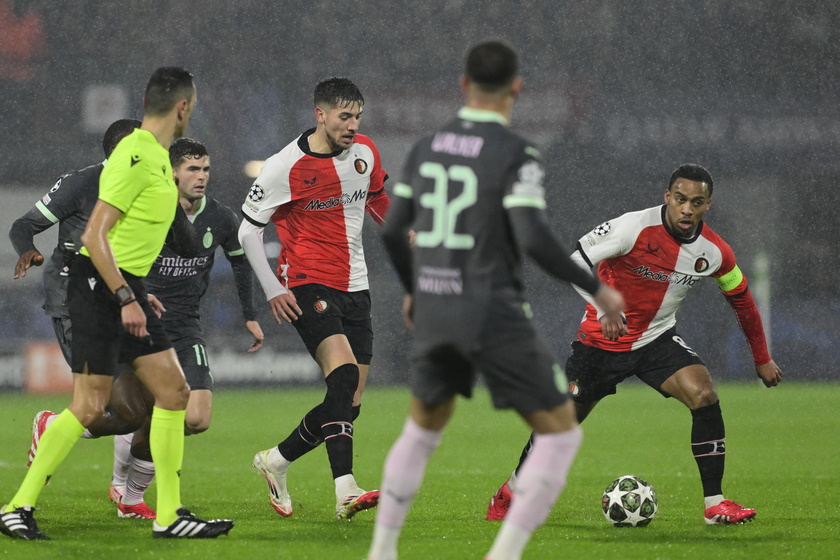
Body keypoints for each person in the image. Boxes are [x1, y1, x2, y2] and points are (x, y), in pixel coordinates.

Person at [366, 40, 624, 560]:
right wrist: (597, 287)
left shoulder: (426, 148)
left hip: (438, 307)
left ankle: (384, 550)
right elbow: (532, 236)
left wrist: (415, 289)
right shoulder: (515, 154)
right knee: (560, 434)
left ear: (463, 86)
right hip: (492, 309)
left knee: (422, 429)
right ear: (517, 89)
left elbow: (393, 231)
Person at [0, 66, 233, 540]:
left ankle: (169, 517)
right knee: (90, 407)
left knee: (172, 395)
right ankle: (16, 506)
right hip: (98, 291)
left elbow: (159, 238)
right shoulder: (135, 154)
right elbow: (94, 233)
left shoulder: (154, 157)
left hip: (122, 289)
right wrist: (127, 296)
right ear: (183, 107)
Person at [486, 163, 783, 526]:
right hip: (601, 342)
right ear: (667, 197)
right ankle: (510, 493)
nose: (687, 209)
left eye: (696, 202)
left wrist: (762, 358)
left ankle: (715, 504)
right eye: (680, 199)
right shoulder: (632, 227)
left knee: (704, 394)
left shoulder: (717, 252)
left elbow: (742, 300)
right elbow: (575, 262)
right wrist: (603, 304)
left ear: (708, 205)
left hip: (656, 339)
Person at [239, 76, 390, 520]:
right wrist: (273, 288)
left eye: (358, 116)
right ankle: (345, 490)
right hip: (306, 281)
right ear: (319, 115)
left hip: (355, 284)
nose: (353, 125)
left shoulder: (366, 152)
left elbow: (378, 199)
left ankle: (277, 461)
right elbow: (248, 229)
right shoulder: (284, 166)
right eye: (345, 117)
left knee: (349, 403)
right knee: (341, 378)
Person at [106, 137, 265, 519]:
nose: (201, 177)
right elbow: (111, 255)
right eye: (193, 169)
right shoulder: (147, 211)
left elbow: (241, 262)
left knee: (195, 419)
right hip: (137, 323)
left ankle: (127, 483)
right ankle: (127, 494)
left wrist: (249, 313)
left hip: (184, 327)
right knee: (128, 413)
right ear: (173, 172)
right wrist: (132, 297)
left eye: (206, 169)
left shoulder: (221, 217)